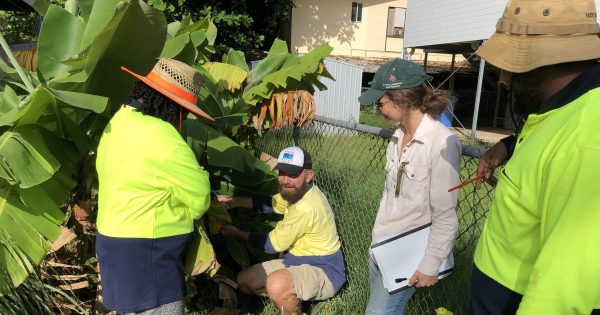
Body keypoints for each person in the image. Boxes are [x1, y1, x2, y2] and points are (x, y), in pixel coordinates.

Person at [469, 0, 600, 314]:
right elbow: (551, 141)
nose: (503, 78)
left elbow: (564, 288)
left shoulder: (587, 138)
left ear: (543, 62)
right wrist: (509, 146)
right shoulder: (561, 109)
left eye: (510, 65)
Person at [95, 58, 214, 314]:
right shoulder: (164, 137)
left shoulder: (118, 122)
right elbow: (200, 198)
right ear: (173, 107)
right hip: (149, 249)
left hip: (111, 241)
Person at [358, 58, 461, 314]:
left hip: (411, 254)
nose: (377, 110)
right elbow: (388, 196)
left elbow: (446, 215)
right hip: (382, 248)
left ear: (401, 99)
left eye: (379, 103)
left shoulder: (442, 142)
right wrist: (374, 245)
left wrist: (431, 263)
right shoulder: (396, 137)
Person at [219, 146, 346, 315]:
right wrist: (233, 201)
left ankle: (294, 306)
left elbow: (272, 244)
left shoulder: (306, 207)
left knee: (275, 284)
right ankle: (296, 299)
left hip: (324, 270)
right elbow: (271, 203)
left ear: (309, 176)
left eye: (293, 174)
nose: (285, 180)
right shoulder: (295, 192)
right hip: (296, 261)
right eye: (282, 172)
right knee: (244, 282)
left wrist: (236, 233)